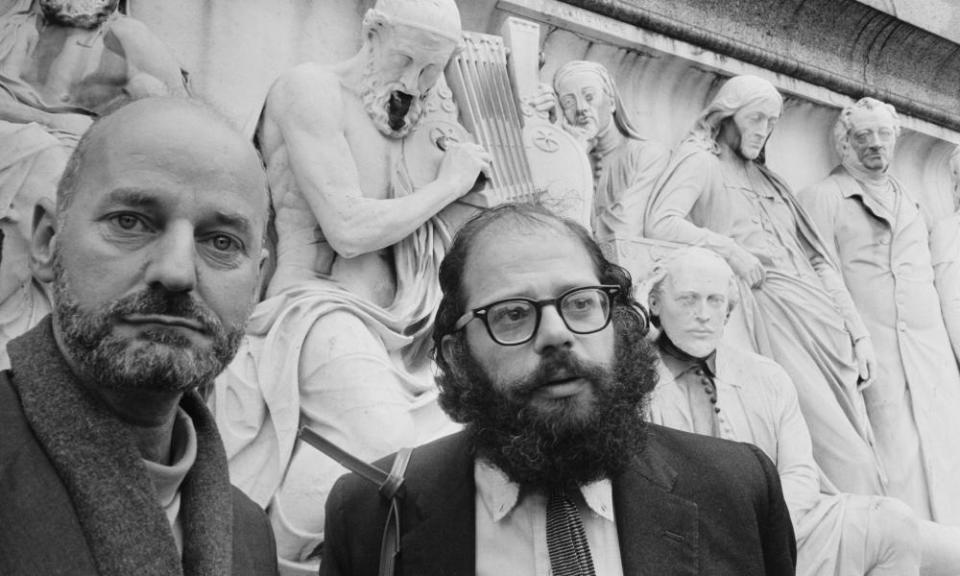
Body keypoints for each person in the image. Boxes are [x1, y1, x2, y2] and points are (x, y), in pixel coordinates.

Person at [321, 203, 796, 576]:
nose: (556, 334)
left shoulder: (738, 485)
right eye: (511, 313)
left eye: (581, 303)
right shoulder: (370, 512)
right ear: (456, 355)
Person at [210, 0, 491, 572]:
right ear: (373, 33)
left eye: (432, 69)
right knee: (383, 440)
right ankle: (268, 561)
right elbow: (348, 228)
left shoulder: (425, 116)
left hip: (413, 328)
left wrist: (472, 186)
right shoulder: (308, 90)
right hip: (314, 310)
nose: (415, 81)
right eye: (406, 58)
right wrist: (449, 184)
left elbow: (462, 241)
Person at [0, 98, 277, 575]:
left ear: (258, 281)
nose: (176, 272)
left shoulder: (249, 536)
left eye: (221, 241)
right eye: (130, 222)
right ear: (46, 242)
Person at [646, 246, 960, 576]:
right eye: (688, 299)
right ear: (655, 303)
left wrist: (771, 533)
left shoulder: (766, 376)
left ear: (728, 310)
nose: (703, 314)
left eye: (715, 300)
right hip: (693, 550)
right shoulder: (635, 385)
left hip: (782, 534)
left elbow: (799, 473)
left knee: (893, 524)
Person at [643, 74, 884, 496]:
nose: (763, 130)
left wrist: (858, 332)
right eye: (755, 118)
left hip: (824, 326)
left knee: (861, 444)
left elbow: (818, 261)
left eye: (771, 122)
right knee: (843, 456)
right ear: (726, 114)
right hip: (769, 318)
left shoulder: (772, 181)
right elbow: (662, 221)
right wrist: (730, 250)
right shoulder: (701, 161)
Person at [798, 98, 960, 524]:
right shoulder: (822, 197)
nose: (875, 144)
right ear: (845, 144)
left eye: (883, 134)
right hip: (875, 354)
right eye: (863, 135)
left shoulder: (911, 200)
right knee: (896, 461)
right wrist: (857, 335)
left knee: (947, 451)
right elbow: (820, 269)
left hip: (930, 353)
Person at [0, 0, 187, 368]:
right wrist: (46, 122)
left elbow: (174, 128)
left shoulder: (130, 40)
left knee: (49, 165)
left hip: (73, 162)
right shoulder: (13, 28)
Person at [549, 60, 669, 244]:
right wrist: (576, 157)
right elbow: (559, 229)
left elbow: (623, 227)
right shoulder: (573, 163)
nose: (581, 109)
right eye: (568, 102)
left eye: (589, 97)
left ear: (611, 101)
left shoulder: (648, 154)